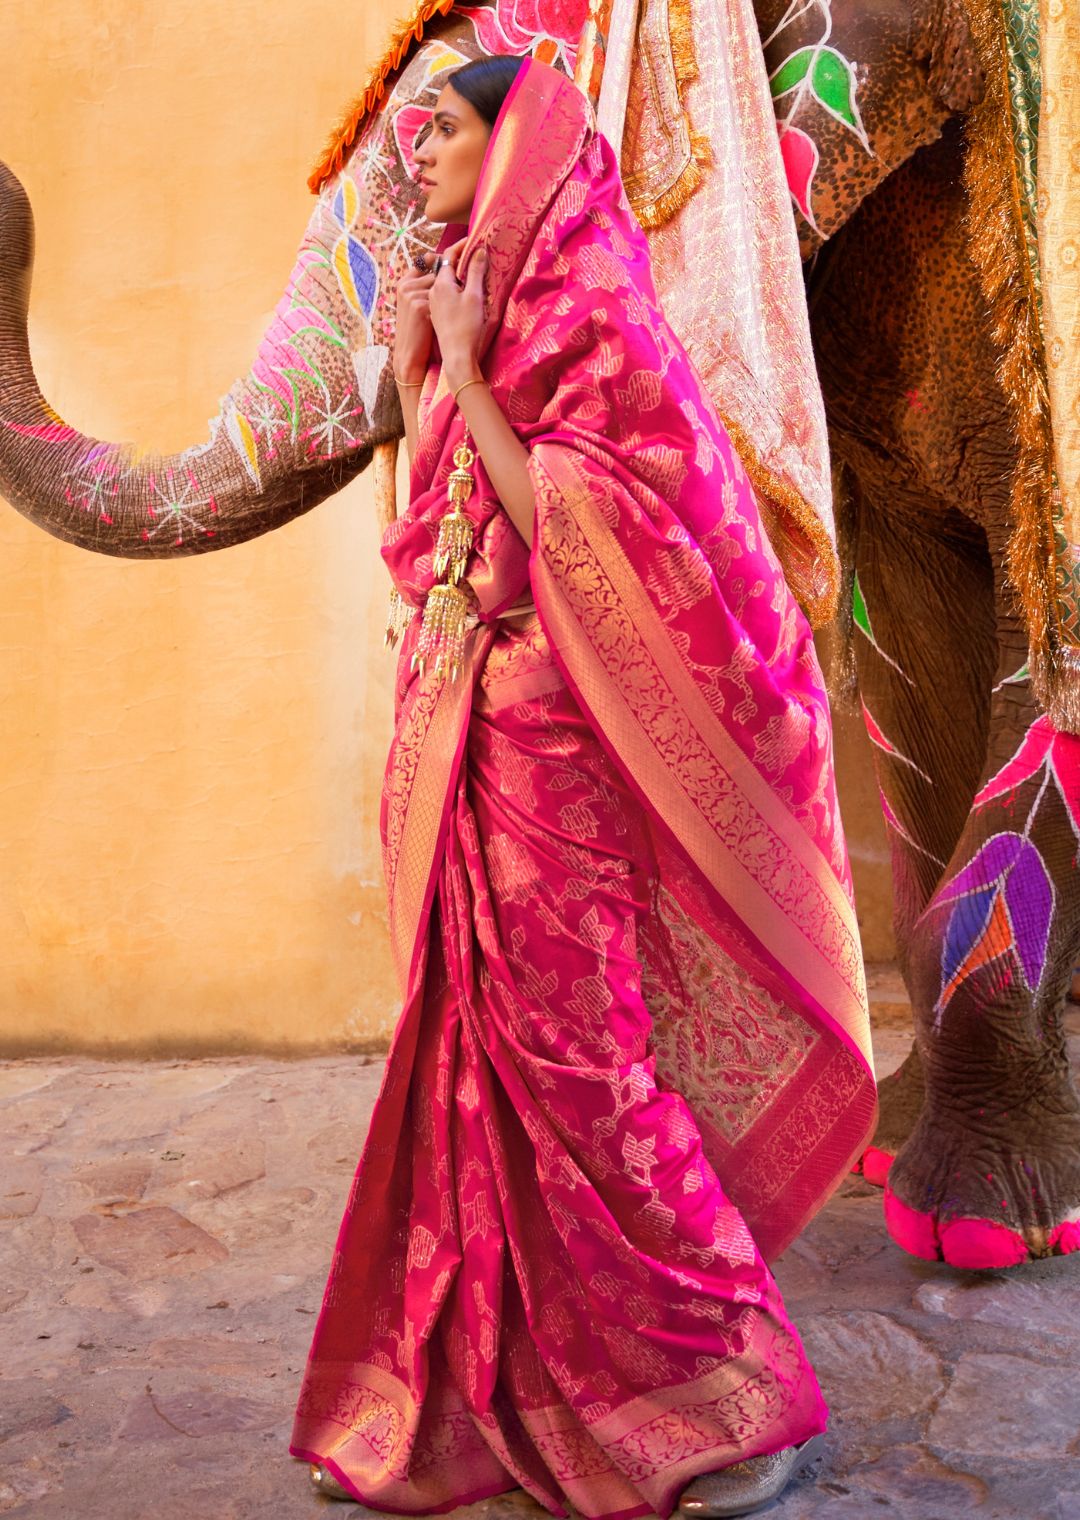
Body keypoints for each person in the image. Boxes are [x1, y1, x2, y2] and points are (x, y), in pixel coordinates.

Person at [290, 53, 876, 1520]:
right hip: (475, 747)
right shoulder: (477, 299)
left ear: (519, 152)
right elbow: (433, 528)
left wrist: (470, 379)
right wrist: (431, 374)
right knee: (469, 1083)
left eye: (447, 134)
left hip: (562, 764)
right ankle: (487, 1401)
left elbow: (575, 525)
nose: (418, 154)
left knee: (591, 1076)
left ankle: (740, 1402)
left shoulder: (598, 317)